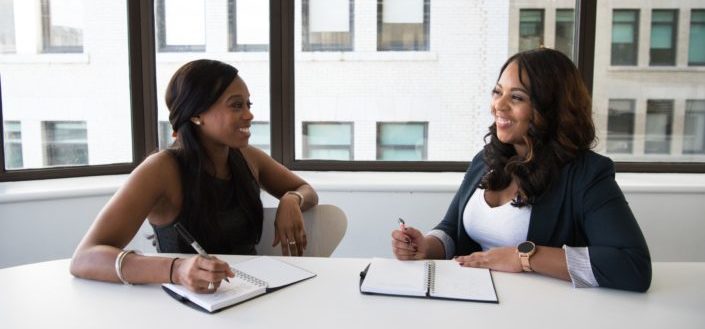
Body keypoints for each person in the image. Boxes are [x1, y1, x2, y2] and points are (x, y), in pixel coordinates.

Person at [391, 48, 651, 292]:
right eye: (497, 92)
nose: (499, 106)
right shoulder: (486, 160)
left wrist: (524, 256)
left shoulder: (587, 174)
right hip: (476, 302)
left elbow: (632, 265)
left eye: (516, 97)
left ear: (551, 109)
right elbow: (451, 229)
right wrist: (426, 246)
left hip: (538, 313)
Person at [70, 59, 318, 293]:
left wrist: (291, 199)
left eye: (248, 104)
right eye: (236, 105)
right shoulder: (160, 169)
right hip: (183, 305)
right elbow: (84, 258)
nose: (249, 115)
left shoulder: (247, 156)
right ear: (197, 114)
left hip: (247, 295)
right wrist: (178, 269)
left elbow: (305, 189)